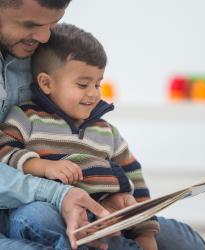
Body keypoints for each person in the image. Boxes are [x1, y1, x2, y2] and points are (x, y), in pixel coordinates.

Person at [0, 21, 205, 250]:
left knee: (189, 241)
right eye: (83, 84)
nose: (93, 93)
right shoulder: (27, 117)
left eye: (98, 84)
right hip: (48, 210)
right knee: (39, 217)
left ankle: (108, 243)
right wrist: (42, 166)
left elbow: (135, 181)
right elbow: (4, 150)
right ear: (46, 83)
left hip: (104, 217)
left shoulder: (106, 131)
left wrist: (144, 231)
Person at [0, 1, 110, 250]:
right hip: (32, 208)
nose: (45, 36)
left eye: (53, 23)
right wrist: (57, 194)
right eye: (31, 24)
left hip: (30, 207)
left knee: (179, 238)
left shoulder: (35, 51)